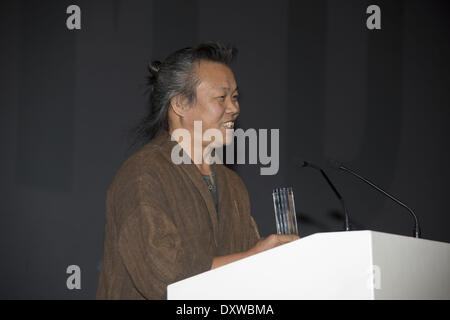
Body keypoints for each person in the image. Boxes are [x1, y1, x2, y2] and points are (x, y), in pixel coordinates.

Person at [96, 42, 298, 300]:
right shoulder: (144, 173)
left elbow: (250, 278)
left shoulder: (231, 183)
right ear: (180, 104)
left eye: (235, 97)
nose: (234, 108)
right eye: (221, 97)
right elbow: (164, 276)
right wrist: (252, 257)